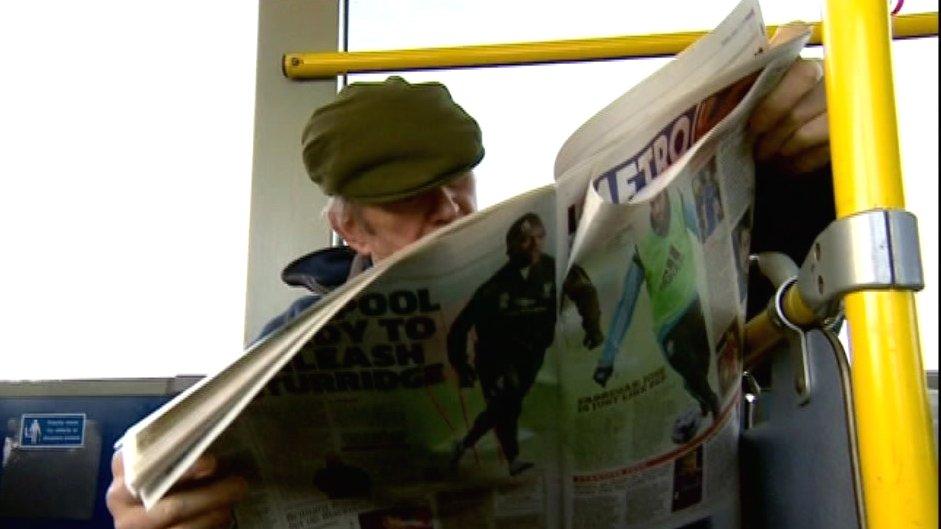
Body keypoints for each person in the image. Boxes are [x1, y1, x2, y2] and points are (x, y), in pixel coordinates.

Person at [107, 56, 834, 528]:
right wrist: (161, 505)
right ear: (349, 228)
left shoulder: (548, 263)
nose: (452, 209)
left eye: (459, 181)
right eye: (412, 198)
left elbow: (740, 300)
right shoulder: (287, 349)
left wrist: (793, 173)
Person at [446, 213, 601, 476]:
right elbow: (458, 329)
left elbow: (585, 290)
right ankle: (495, 453)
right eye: (525, 241)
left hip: (531, 355)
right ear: (512, 247)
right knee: (508, 395)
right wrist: (463, 368)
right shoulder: (494, 286)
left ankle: (468, 445)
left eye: (538, 238)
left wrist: (593, 327)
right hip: (495, 357)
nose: (533, 245)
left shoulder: (555, 269)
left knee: (510, 406)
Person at [592, 189, 721, 433]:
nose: (656, 212)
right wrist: (606, 360)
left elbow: (708, 233)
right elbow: (625, 306)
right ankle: (713, 407)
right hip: (668, 328)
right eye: (649, 206)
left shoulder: (682, 210)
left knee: (701, 369)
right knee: (695, 375)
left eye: (657, 202)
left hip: (693, 307)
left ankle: (701, 406)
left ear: (667, 197)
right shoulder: (642, 252)